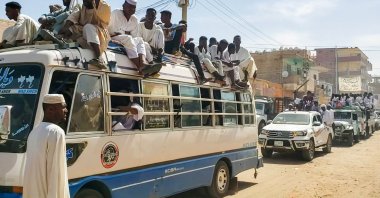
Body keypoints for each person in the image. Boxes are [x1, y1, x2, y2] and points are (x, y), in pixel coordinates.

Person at [23, 94, 69, 198]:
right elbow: (56, 174)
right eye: (63, 107)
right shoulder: (56, 132)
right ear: (50, 109)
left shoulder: (34, 131)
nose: (66, 110)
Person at [109, 0, 161, 75]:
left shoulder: (134, 19)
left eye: (134, 7)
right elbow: (108, 29)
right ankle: (139, 66)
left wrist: (127, 35)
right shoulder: (116, 13)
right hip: (111, 38)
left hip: (124, 40)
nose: (132, 9)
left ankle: (143, 63)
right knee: (128, 38)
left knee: (139, 40)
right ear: (123, 6)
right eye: (129, 7)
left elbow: (135, 37)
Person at [59, 0, 111, 69]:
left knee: (88, 27)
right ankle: (62, 42)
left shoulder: (104, 6)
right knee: (71, 28)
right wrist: (64, 28)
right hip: (84, 36)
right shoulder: (81, 7)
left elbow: (105, 19)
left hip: (100, 37)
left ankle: (99, 59)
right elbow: (72, 18)